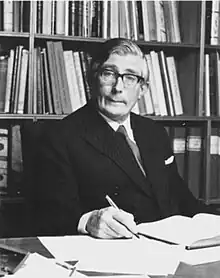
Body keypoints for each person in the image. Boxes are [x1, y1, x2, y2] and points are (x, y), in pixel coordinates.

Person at [31, 38, 216, 238]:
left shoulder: (154, 132)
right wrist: (89, 221)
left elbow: (182, 199)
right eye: (109, 74)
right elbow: (52, 217)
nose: (118, 87)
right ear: (93, 78)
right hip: (113, 255)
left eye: (130, 77)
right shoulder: (59, 136)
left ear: (142, 90)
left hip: (171, 249)